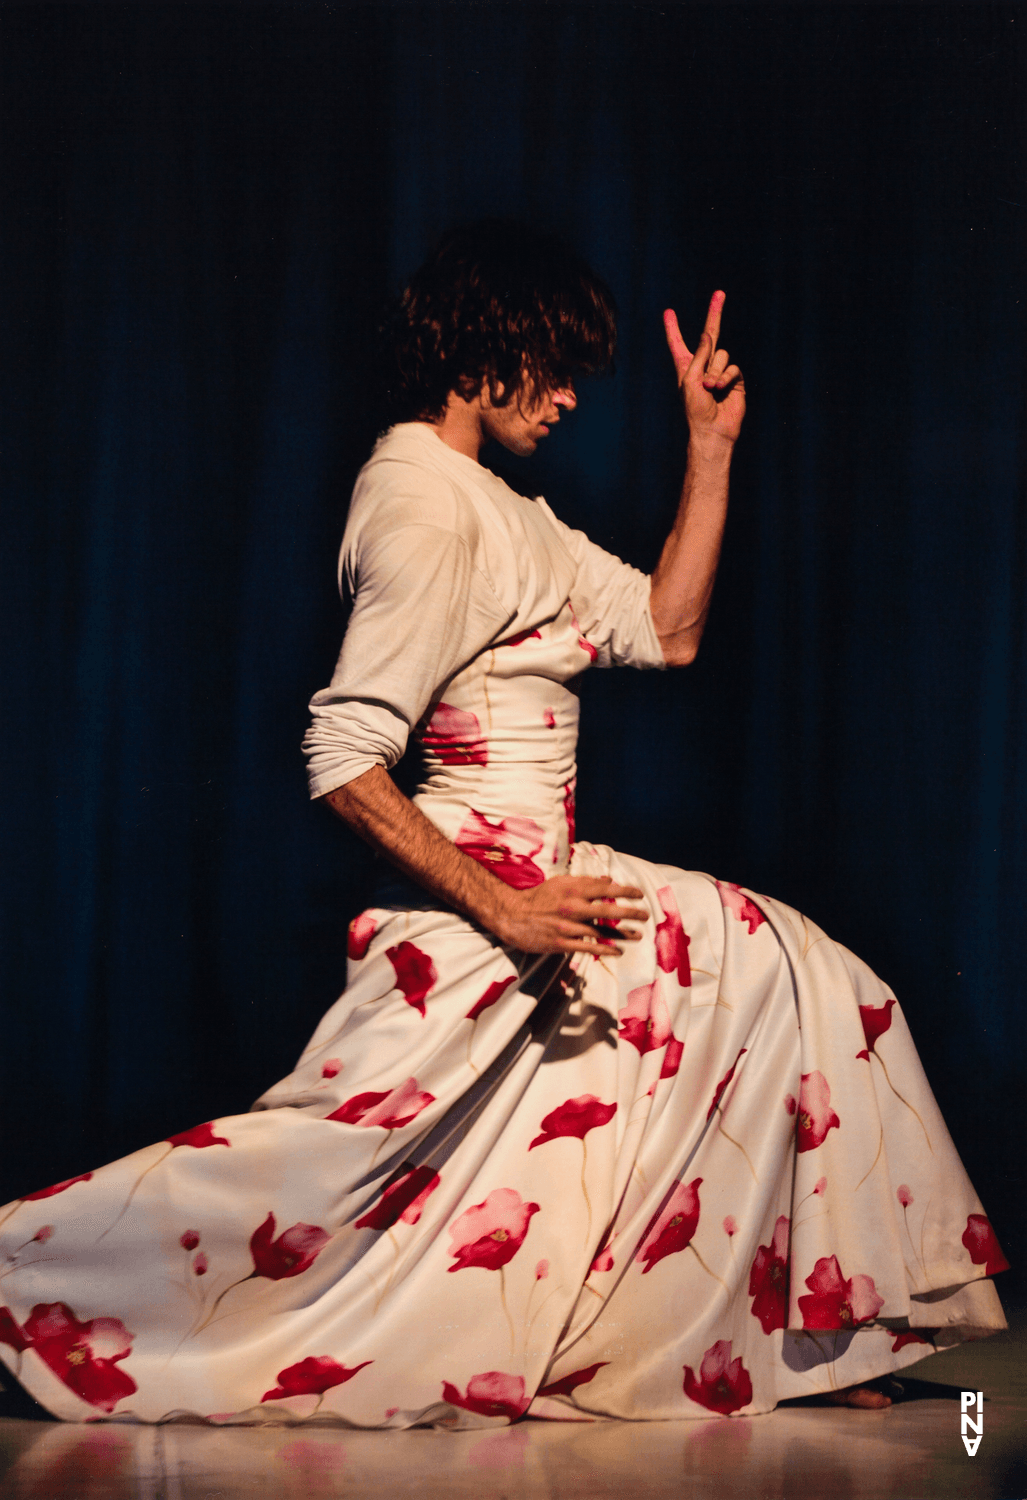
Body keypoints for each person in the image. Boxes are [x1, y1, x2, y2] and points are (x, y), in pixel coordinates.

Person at [0, 221, 1007, 1427]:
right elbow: (341, 756)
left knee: (790, 980)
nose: (575, 397)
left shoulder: (500, 507)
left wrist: (708, 449)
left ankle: (804, 1344)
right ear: (481, 356)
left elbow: (666, 628)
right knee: (322, 1180)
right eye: (554, 366)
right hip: (483, 907)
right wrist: (505, 905)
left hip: (549, 886)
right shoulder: (422, 505)